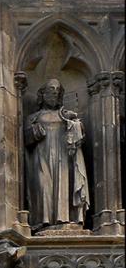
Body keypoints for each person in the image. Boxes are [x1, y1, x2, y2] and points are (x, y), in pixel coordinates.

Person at [25, 78, 89, 230]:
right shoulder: (33, 117)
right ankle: (43, 220)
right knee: (43, 186)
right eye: (50, 90)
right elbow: (25, 139)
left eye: (57, 91)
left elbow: (80, 134)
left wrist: (75, 125)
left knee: (64, 186)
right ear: (43, 94)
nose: (54, 93)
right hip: (41, 158)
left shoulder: (66, 115)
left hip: (63, 158)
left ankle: (65, 219)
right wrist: (34, 132)